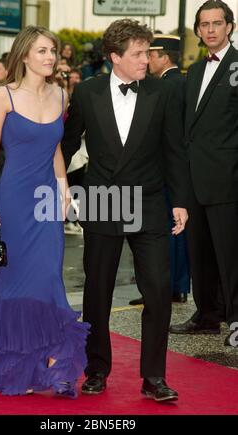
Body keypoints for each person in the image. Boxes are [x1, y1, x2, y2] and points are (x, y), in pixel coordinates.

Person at [0, 26, 89, 397]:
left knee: (47, 278)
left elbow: (57, 149)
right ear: (24, 55)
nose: (50, 57)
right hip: (13, 198)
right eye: (43, 51)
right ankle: (19, 364)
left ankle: (53, 363)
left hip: (47, 199)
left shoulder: (62, 95)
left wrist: (64, 190)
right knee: (16, 281)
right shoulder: (4, 95)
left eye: (53, 52)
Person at [62, 19, 189, 402]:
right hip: (103, 201)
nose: (146, 60)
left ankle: (154, 378)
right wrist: (60, 186)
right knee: (97, 293)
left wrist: (180, 199)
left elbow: (174, 150)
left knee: (158, 290)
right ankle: (96, 369)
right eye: (138, 53)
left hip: (149, 202)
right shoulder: (86, 93)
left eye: (148, 52)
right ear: (115, 56)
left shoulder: (161, 93)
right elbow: (67, 145)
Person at [170, 0, 238, 346]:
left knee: (231, 256)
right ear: (198, 30)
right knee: (199, 254)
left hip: (228, 179)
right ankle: (207, 316)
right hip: (195, 179)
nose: (210, 29)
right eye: (204, 24)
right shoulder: (194, 71)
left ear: (230, 26)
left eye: (217, 23)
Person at [130, 35, 190, 305]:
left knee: (171, 229)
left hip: (164, 170)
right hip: (168, 170)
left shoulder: (169, 85)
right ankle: (173, 286)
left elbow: (172, 135)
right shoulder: (178, 82)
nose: (147, 60)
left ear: (164, 57)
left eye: (151, 54)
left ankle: (169, 287)